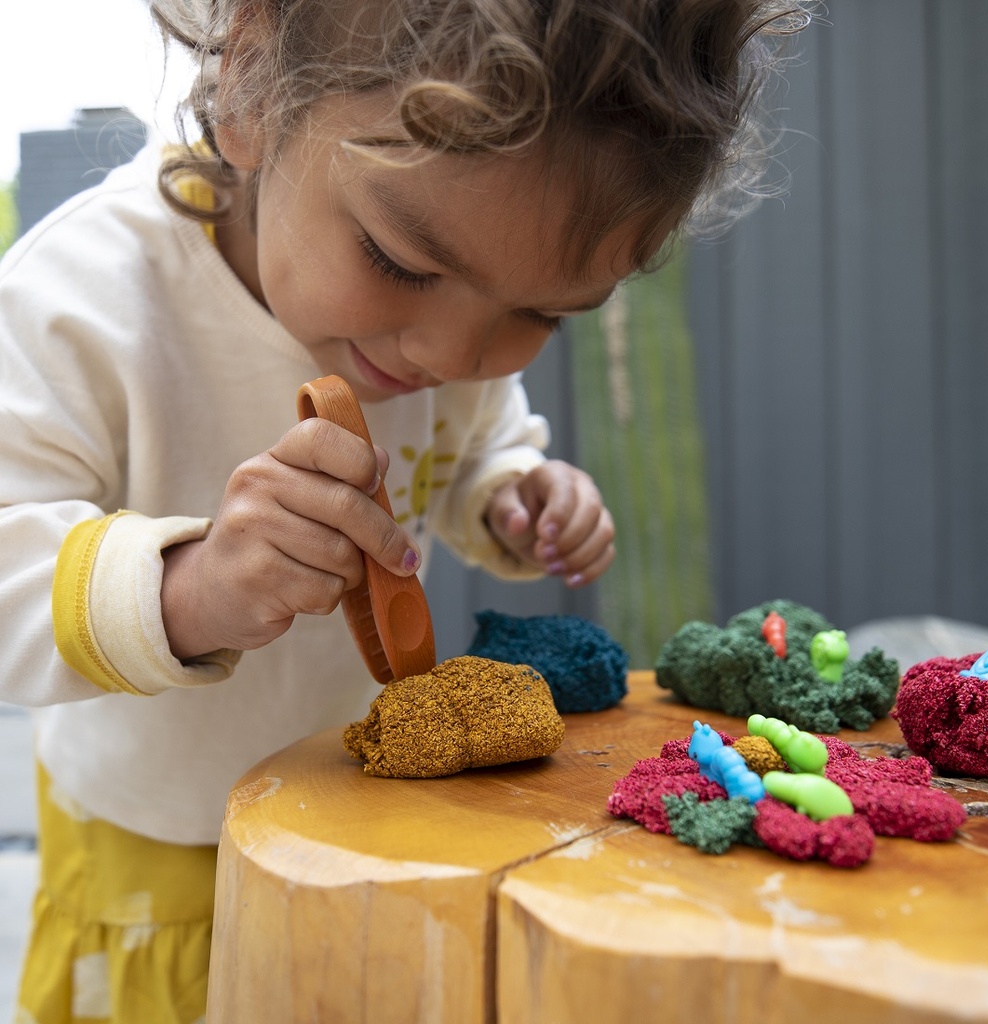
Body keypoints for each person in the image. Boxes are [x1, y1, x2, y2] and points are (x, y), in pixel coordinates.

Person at [0, 0, 810, 1020]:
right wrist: (188, 588)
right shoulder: (86, 301)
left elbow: (477, 438)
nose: (451, 357)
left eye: (540, 314)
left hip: (368, 825)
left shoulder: (441, 314)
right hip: (163, 868)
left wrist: (511, 496)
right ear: (251, 89)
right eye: (401, 264)